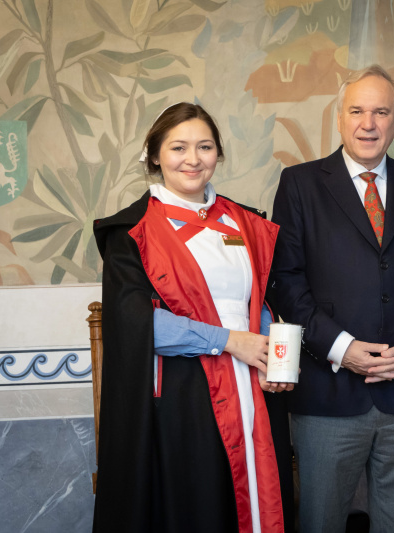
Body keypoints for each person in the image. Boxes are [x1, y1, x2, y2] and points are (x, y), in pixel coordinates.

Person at [271, 64, 394, 532]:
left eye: (381, 112)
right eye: (357, 110)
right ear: (339, 118)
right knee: (320, 522)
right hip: (328, 394)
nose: (368, 123)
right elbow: (285, 282)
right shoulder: (299, 185)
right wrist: (342, 349)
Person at [93, 102, 294, 533]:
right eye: (178, 147)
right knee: (201, 507)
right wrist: (230, 341)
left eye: (204, 147)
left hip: (253, 390)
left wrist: (274, 362)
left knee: (261, 503)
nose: (192, 158)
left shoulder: (244, 221)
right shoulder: (131, 231)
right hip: (184, 397)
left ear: (218, 155)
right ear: (154, 155)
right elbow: (139, 327)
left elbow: (259, 300)